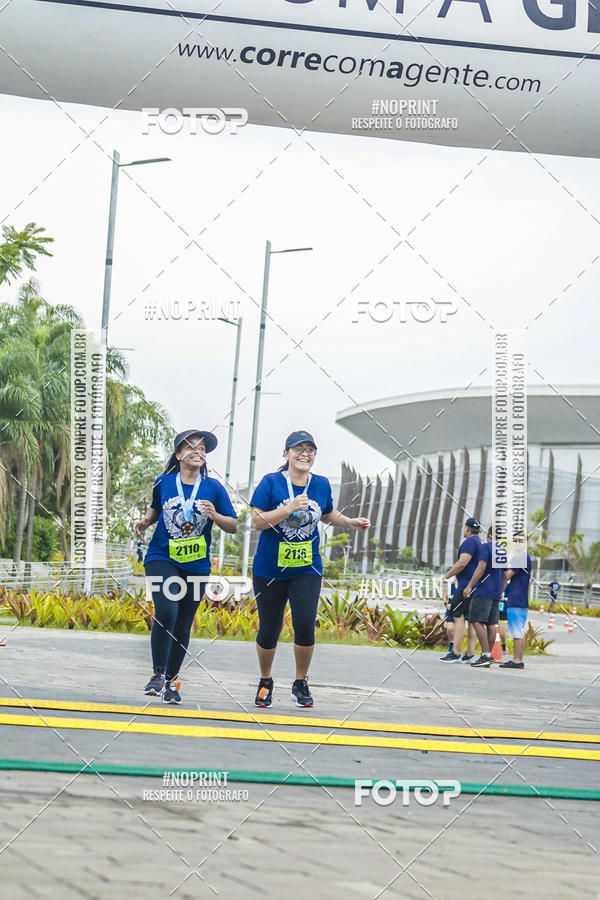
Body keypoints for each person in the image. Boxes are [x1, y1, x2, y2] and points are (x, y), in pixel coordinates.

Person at [250, 430, 370, 708]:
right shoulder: (270, 483)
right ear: (286, 453)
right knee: (270, 628)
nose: (304, 454)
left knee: (305, 625)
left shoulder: (322, 484)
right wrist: (288, 508)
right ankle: (265, 680)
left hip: (307, 567)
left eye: (310, 450)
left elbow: (326, 513)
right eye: (298, 449)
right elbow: (256, 522)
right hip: (270, 569)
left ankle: (300, 682)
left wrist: (350, 522)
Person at [134, 430, 237, 703]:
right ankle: (157, 673)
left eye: (202, 448)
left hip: (196, 565)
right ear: (179, 454)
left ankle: (171, 680)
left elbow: (233, 526)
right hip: (162, 557)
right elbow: (156, 510)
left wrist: (215, 514)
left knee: (183, 623)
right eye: (191, 447)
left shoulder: (213, 488)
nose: (198, 451)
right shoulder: (163, 482)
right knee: (167, 610)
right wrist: (145, 522)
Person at [439, 517, 482, 662]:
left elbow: (462, 563)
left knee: (458, 617)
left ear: (467, 529)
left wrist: (446, 576)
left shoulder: (469, 542)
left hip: (465, 585)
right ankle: (469, 655)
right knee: (472, 620)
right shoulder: (481, 542)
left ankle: (455, 653)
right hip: (477, 586)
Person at [464, 527, 506, 667]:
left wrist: (470, 585)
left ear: (488, 535)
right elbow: (505, 576)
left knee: (475, 620)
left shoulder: (486, 547)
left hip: (483, 590)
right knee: (491, 624)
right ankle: (488, 655)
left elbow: (481, 568)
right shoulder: (502, 551)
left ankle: (486, 654)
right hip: (495, 592)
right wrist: (501, 592)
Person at [500, 532, 532, 670]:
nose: (517, 543)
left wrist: (499, 565)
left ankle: (517, 660)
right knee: (518, 631)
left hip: (517, 599)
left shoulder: (521, 558)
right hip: (520, 599)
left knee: (516, 632)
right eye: (515, 540)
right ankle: (518, 659)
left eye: (520, 540)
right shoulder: (523, 558)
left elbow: (507, 575)